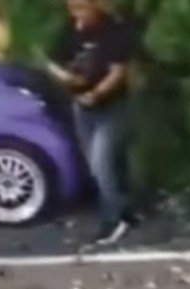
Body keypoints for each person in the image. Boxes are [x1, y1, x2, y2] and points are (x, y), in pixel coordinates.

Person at [47, 0, 136, 245]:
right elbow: (52, 60)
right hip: (82, 108)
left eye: (82, 8)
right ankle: (125, 209)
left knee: (101, 163)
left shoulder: (113, 30)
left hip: (112, 107)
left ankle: (113, 219)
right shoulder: (69, 29)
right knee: (105, 162)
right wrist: (65, 76)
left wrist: (96, 94)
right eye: (73, 8)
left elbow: (118, 72)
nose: (78, 14)